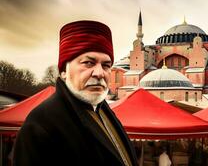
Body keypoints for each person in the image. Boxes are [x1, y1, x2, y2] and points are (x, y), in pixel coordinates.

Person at [13, 20, 138, 166]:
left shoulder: (103, 110)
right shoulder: (41, 124)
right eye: (88, 63)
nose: (99, 73)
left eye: (106, 65)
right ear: (64, 71)